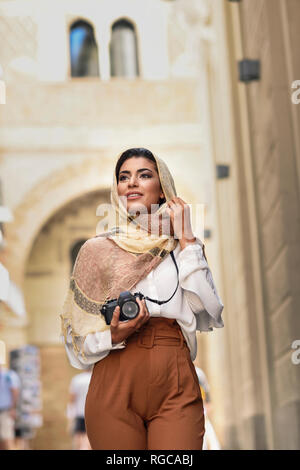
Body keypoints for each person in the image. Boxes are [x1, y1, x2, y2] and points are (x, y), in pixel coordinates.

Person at [60, 147, 224, 450]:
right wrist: (113, 334)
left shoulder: (183, 248)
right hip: (115, 372)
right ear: (117, 188)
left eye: (144, 175)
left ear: (162, 189)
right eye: (124, 177)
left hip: (173, 371)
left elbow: (209, 312)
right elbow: (75, 341)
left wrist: (187, 238)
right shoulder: (97, 250)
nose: (131, 183)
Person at [194, 366, 221, 450]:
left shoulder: (198, 373)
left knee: (210, 441)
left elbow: (206, 393)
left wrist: (207, 406)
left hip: (200, 411)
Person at [67, 369, 92, 450]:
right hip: (92, 415)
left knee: (79, 440)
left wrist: (70, 416)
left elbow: (72, 399)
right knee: (89, 440)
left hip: (79, 414)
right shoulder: (96, 378)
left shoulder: (77, 379)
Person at [0, 363, 21, 450]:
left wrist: (13, 408)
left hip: (6, 411)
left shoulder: (9, 376)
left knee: (8, 438)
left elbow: (15, 392)